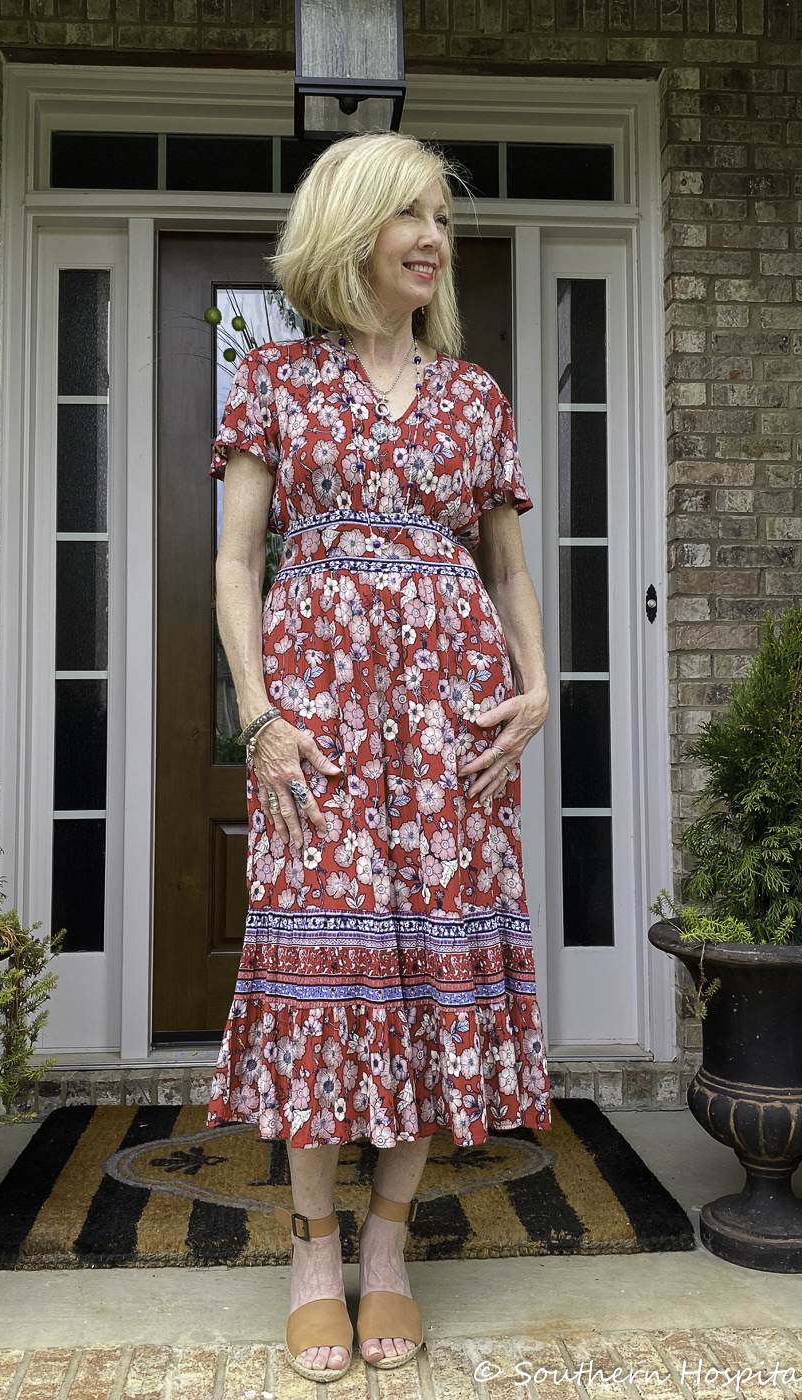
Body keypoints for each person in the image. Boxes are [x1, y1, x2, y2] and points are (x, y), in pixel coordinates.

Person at [206, 130, 551, 1382]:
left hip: (454, 729)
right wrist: (257, 709)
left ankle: (389, 1247)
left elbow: (506, 566)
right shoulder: (276, 380)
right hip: (319, 727)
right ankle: (311, 1250)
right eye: (410, 213)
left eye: (442, 221)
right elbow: (240, 560)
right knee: (322, 974)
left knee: (433, 978)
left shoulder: (474, 395)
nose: (434, 238)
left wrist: (540, 684)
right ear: (351, 226)